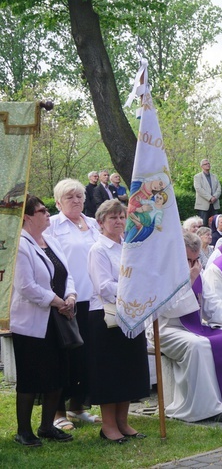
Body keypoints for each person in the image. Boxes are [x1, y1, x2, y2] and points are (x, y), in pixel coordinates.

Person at [157, 232, 222, 423]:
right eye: (188, 259)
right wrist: (190, 280)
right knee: (198, 346)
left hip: (194, 325)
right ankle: (207, 407)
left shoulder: (196, 269)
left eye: (195, 259)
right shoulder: (164, 272)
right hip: (167, 328)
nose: (192, 264)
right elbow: (170, 310)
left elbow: (211, 301)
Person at [11, 195, 76, 446]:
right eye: (42, 210)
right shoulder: (20, 245)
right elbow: (26, 286)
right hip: (32, 322)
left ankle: (47, 426)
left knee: (58, 374)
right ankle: (23, 430)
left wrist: (71, 295)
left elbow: (66, 273)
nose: (47, 213)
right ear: (27, 216)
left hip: (58, 320)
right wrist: (58, 301)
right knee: (30, 377)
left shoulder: (51, 240)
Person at [87, 199, 150, 442]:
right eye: (113, 217)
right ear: (101, 222)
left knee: (128, 370)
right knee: (110, 373)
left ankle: (123, 422)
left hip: (132, 315)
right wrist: (132, 287)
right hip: (106, 317)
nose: (118, 221)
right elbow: (103, 286)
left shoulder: (129, 247)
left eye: (122, 217)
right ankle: (108, 426)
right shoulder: (98, 250)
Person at [47, 180, 101, 431]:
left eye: (80, 196)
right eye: (70, 197)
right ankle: (57, 411)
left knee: (89, 356)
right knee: (65, 357)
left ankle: (78, 406)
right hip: (67, 299)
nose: (77, 200)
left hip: (94, 299)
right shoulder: (53, 226)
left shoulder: (92, 224)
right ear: (58, 202)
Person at [194, 159, 222, 227]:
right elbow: (198, 189)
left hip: (214, 204)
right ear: (201, 166)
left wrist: (215, 197)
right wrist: (210, 198)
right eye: (205, 164)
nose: (208, 165)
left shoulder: (214, 176)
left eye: (208, 163)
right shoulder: (197, 177)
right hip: (203, 205)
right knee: (203, 224)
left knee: (215, 224)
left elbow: (219, 188)